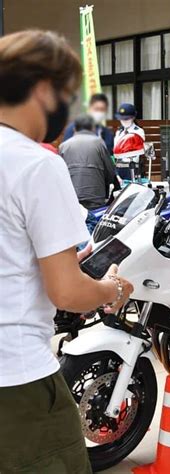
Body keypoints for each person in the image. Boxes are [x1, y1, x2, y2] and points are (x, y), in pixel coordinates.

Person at [0, 30, 133, 473]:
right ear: (42, 88)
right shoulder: (35, 163)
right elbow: (68, 293)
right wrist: (109, 288)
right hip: (16, 379)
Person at [59, 114, 117, 210]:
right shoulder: (99, 143)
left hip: (72, 196)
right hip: (95, 197)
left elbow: (60, 174)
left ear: (74, 129)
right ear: (93, 128)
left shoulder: (63, 146)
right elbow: (110, 173)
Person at [114, 102, 145, 180]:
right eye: (122, 118)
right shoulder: (119, 131)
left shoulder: (138, 131)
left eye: (126, 118)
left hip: (132, 167)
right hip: (119, 168)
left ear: (133, 117)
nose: (124, 121)